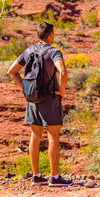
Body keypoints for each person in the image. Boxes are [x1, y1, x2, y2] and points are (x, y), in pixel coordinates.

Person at [7, 22, 72, 187]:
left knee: (34, 136)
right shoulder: (54, 51)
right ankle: (55, 178)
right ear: (50, 35)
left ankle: (36, 176)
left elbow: (12, 71)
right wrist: (62, 91)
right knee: (53, 137)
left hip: (32, 99)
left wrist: (25, 90)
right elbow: (63, 72)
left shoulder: (28, 51)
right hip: (50, 99)